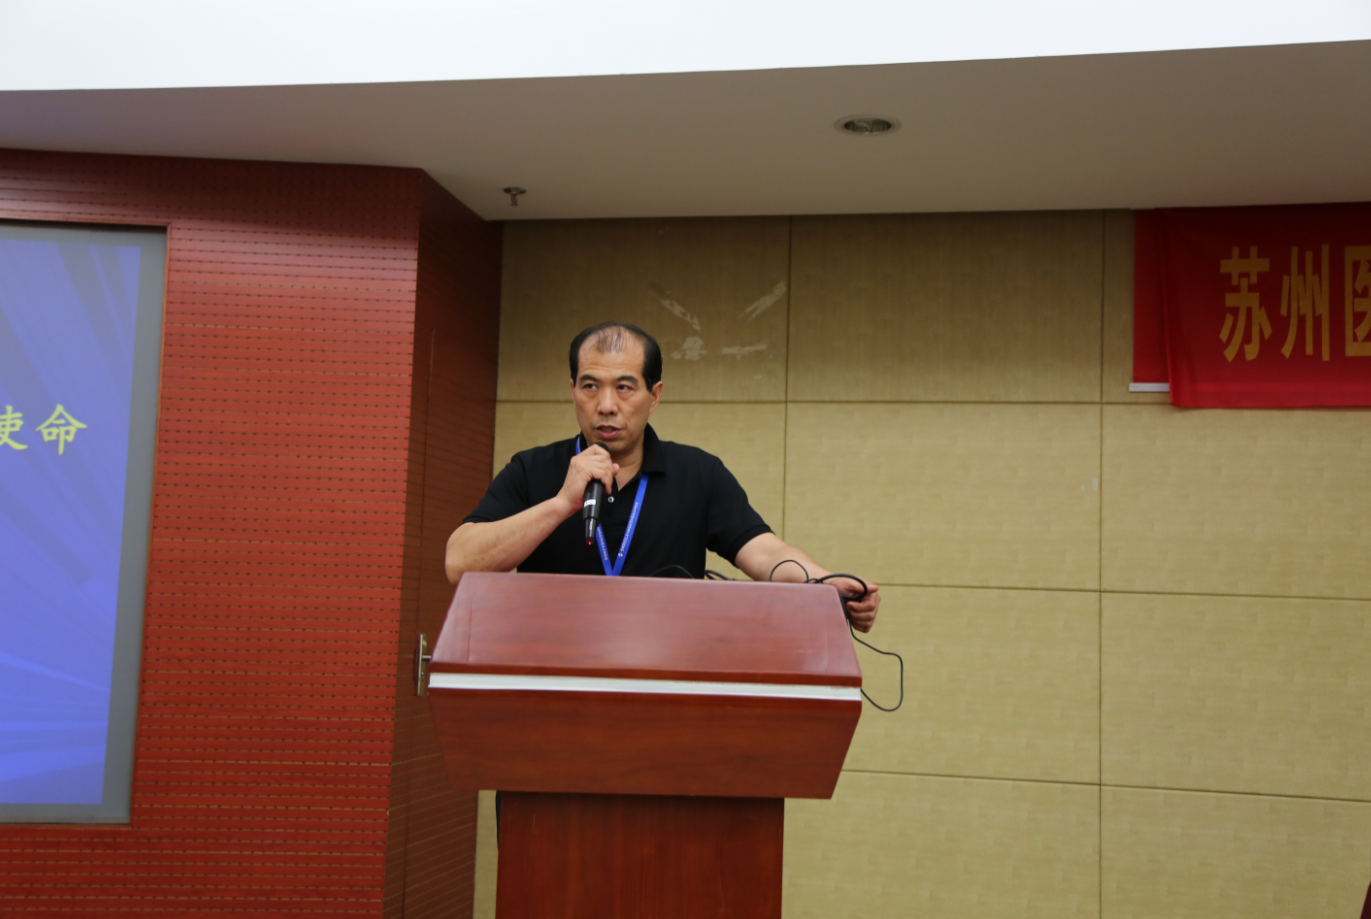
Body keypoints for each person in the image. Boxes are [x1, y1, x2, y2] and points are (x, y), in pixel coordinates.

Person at [445, 321, 880, 631]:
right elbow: (459, 562)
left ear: (654, 396)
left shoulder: (698, 473)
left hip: (665, 678)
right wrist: (560, 504)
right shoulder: (532, 468)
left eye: (624, 387)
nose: (606, 405)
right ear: (572, 390)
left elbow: (766, 554)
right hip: (550, 677)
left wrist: (825, 584)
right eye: (590, 386)